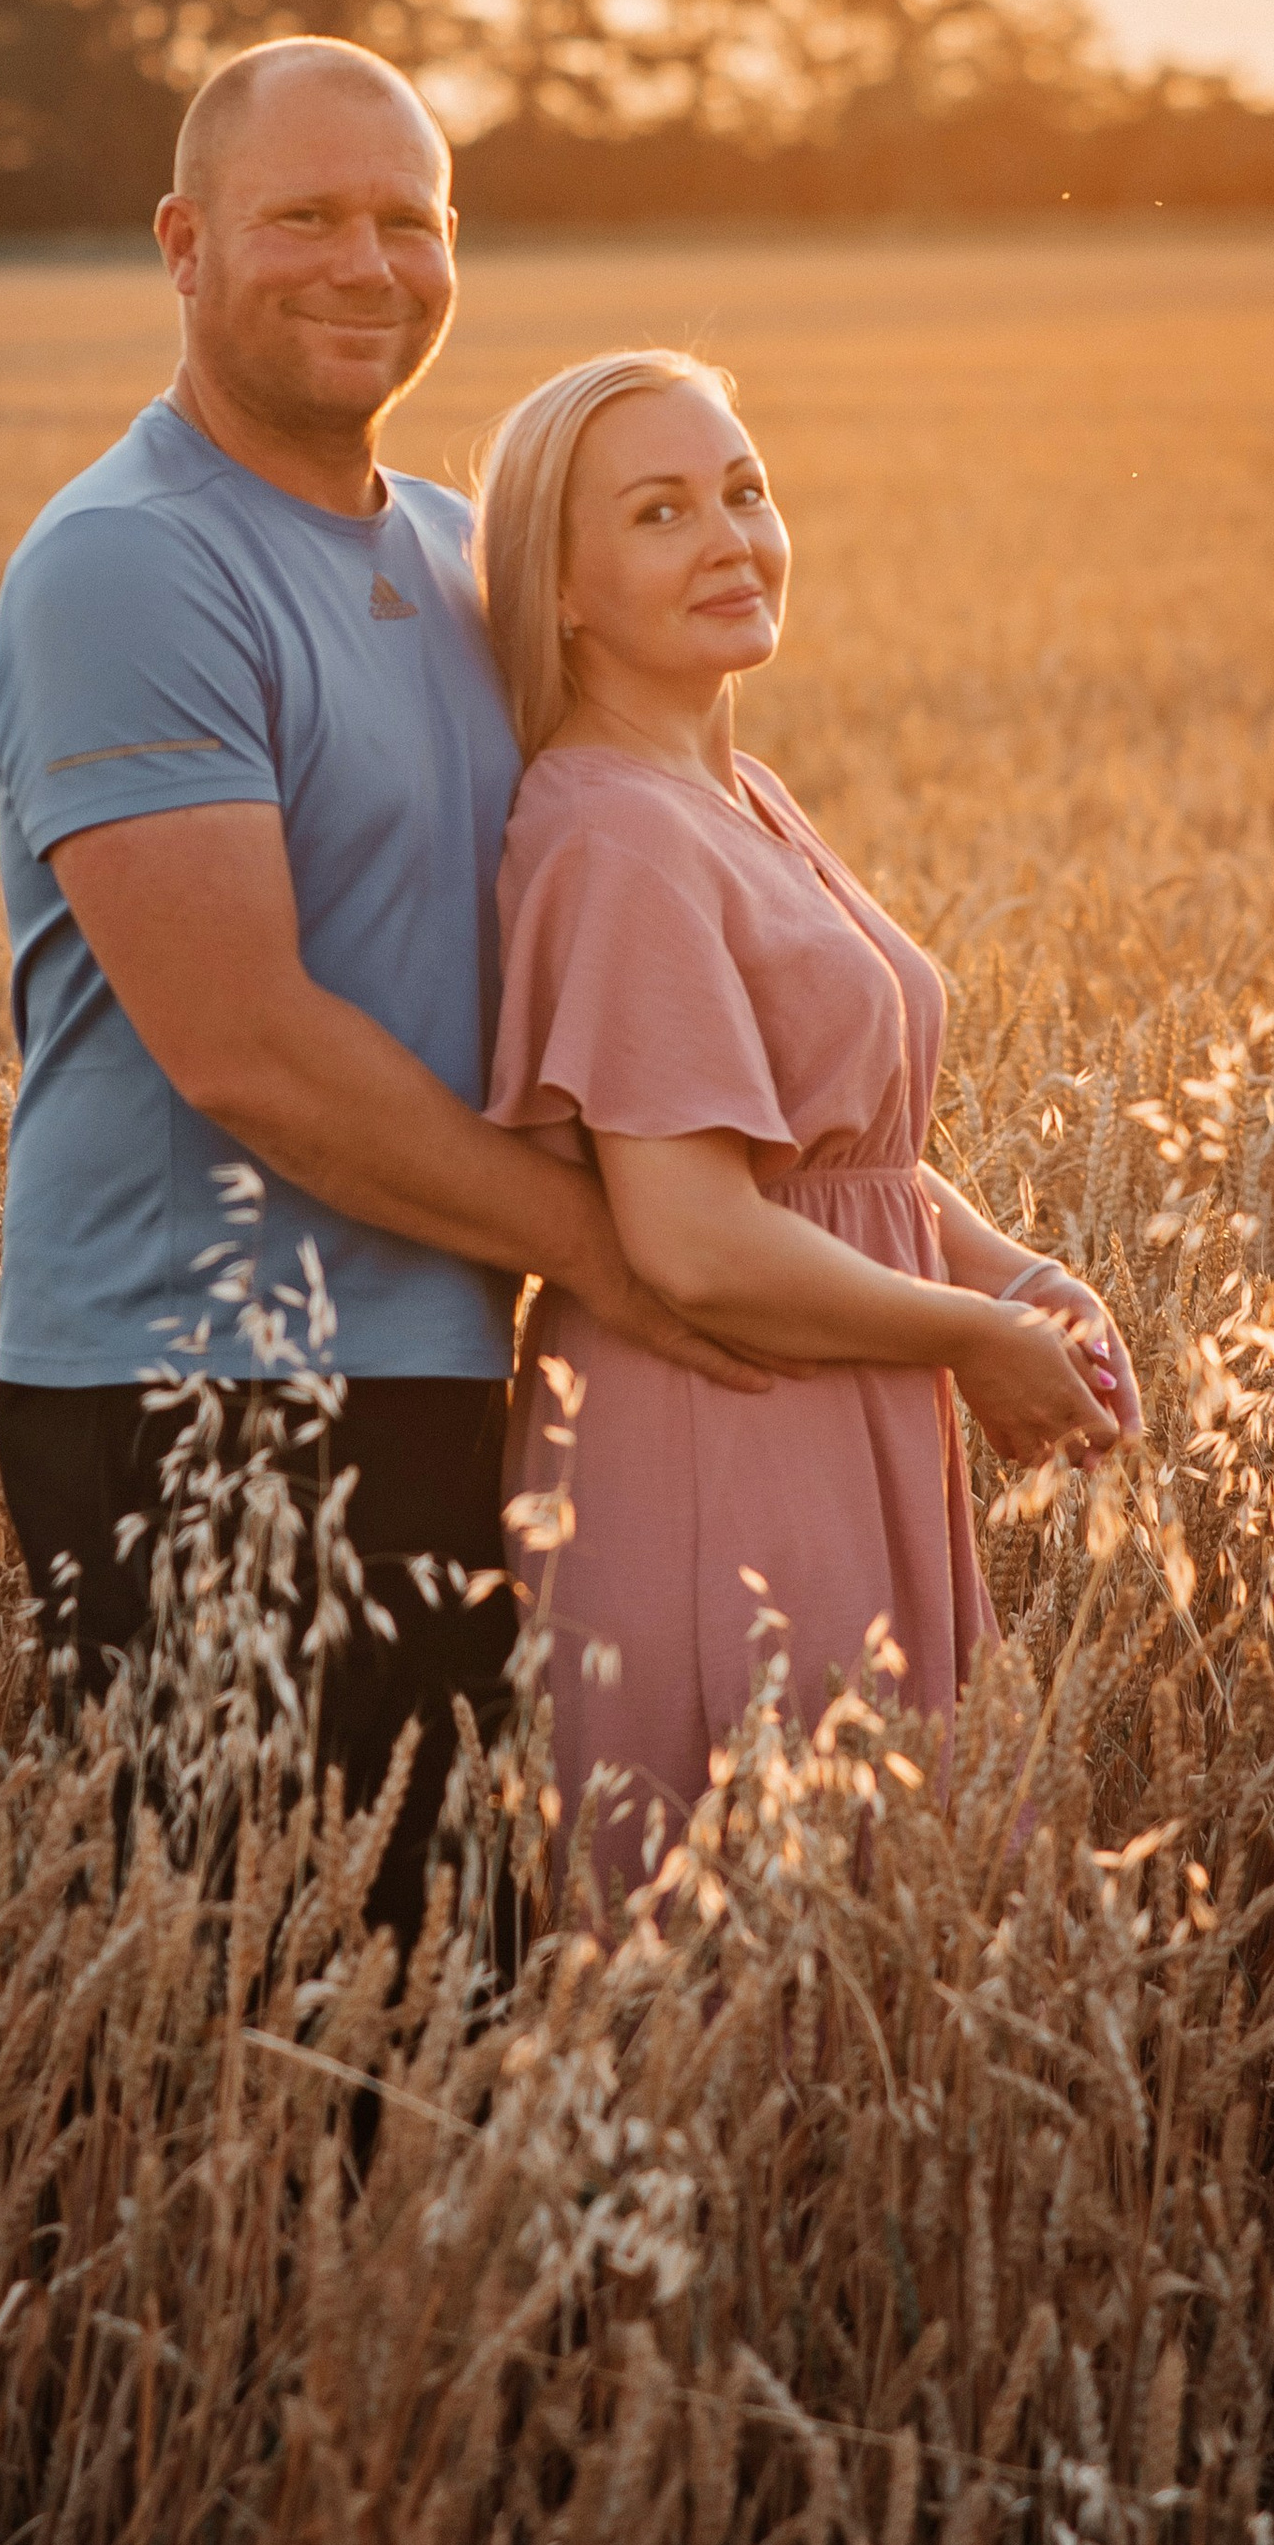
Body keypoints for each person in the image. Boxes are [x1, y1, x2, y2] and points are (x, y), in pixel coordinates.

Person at [0, 44, 762, 1948]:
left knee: (466, 1998)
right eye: (305, 217)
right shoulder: (130, 565)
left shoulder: (454, 552)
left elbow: (640, 894)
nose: (368, 263)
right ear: (182, 244)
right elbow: (248, 1051)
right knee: (291, 2035)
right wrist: (635, 1253)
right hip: (205, 1397)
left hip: (451, 1367)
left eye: (410, 221)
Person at [476, 350, 1142, 1882]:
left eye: (745, 490)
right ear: (560, 590)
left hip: (840, 1394)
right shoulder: (616, 840)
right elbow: (698, 1240)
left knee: (876, 1920)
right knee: (770, 1948)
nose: (730, 539)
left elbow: (846, 1153)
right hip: (720, 1430)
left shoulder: (735, 788)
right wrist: (971, 1341)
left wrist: (1008, 1274)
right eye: (659, 513)